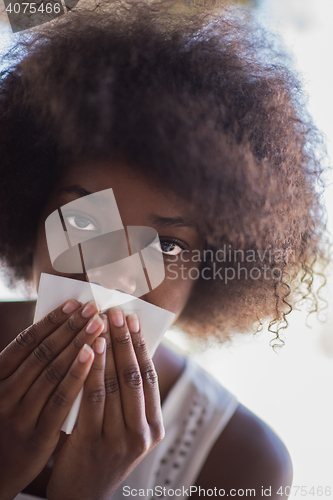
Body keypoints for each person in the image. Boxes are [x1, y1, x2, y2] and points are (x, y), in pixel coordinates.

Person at [0, 0, 329, 498]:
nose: (112, 275)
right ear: (31, 208)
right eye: (85, 221)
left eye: (168, 245)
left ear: (212, 271)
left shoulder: (240, 462)